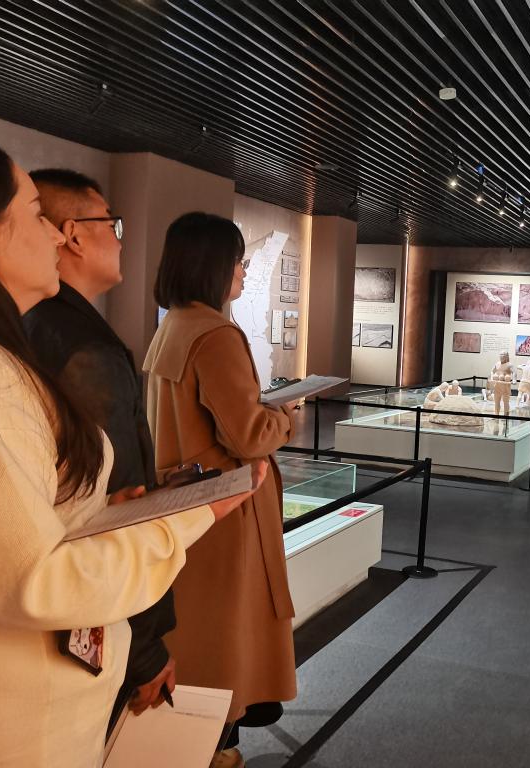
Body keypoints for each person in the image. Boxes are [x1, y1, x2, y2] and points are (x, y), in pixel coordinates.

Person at [0, 133, 258, 768]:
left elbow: (4, 525)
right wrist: (180, 521)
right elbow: (29, 581)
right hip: (6, 726)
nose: (53, 235)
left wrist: (98, 519)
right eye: (34, 214)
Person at [23, 168, 177, 727]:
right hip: (94, 609)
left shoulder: (33, 324)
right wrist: (146, 650)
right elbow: (112, 504)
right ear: (72, 234)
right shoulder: (83, 347)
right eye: (113, 224)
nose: (119, 238)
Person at [144, 212, 297, 768]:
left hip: (187, 508)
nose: (243, 270)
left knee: (197, 635)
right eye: (237, 260)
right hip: (227, 511)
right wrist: (286, 418)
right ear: (212, 265)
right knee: (226, 642)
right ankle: (216, 750)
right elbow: (248, 435)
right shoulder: (215, 335)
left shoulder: (173, 327)